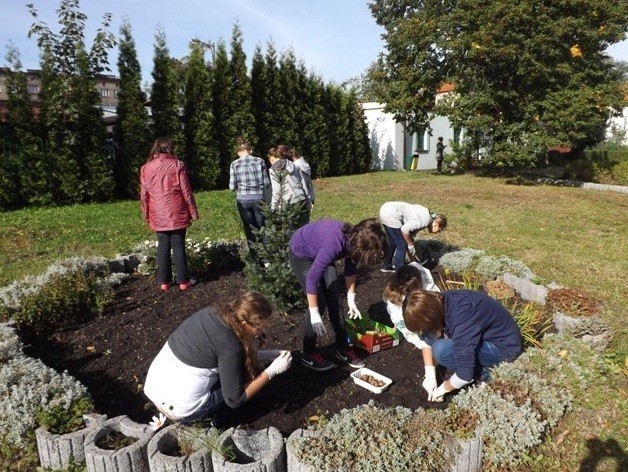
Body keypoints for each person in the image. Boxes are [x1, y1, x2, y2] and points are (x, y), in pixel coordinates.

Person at [144, 291, 292, 424]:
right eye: (259, 327)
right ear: (245, 323)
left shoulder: (212, 313)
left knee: (236, 371)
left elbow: (219, 352)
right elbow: (234, 399)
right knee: (243, 385)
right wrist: (272, 371)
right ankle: (213, 421)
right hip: (181, 410)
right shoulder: (231, 347)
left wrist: (267, 354)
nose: (261, 331)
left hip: (154, 387)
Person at [288, 218, 387, 371]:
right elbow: (312, 279)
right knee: (319, 301)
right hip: (301, 252)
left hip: (320, 249)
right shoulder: (334, 244)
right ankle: (308, 353)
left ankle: (343, 347)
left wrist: (351, 298)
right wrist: (314, 314)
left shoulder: (356, 239)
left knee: (335, 299)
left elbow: (350, 269)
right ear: (361, 246)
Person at [402, 289, 522, 401]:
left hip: (503, 348)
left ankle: (487, 376)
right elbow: (426, 337)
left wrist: (443, 389)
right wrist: (430, 375)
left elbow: (465, 375)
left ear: (431, 317)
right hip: (481, 337)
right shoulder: (439, 302)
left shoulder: (462, 318)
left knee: (442, 351)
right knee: (433, 338)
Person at [140, 137, 199, 291]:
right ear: (170, 148)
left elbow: (144, 195)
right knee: (178, 245)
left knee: (163, 246)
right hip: (176, 210)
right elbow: (186, 191)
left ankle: (164, 282)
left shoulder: (146, 168)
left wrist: (146, 214)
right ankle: (183, 281)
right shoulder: (177, 165)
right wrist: (193, 211)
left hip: (157, 212)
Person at [383, 263, 442, 398]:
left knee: (434, 341)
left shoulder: (429, 295)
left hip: (421, 311)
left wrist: (430, 374)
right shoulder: (393, 296)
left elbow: (427, 335)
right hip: (404, 310)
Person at [229, 138, 270, 263]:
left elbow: (232, 187)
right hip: (258, 198)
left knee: (250, 229)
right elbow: (266, 183)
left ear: (238, 152)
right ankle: (267, 259)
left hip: (243, 199)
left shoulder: (234, 164)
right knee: (262, 227)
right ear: (251, 150)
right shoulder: (260, 161)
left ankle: (255, 259)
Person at [378, 201, 447, 273]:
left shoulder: (426, 214)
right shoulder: (425, 221)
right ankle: (400, 272)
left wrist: (412, 257)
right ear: (436, 224)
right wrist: (410, 245)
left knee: (392, 241)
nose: (438, 232)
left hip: (385, 209)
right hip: (392, 214)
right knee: (402, 244)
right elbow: (404, 230)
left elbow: (409, 233)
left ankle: (386, 266)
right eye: (439, 230)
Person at [268, 145, 310, 230]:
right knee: (305, 229)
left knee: (292, 231)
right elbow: (303, 183)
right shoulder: (293, 164)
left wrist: (273, 207)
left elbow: (277, 190)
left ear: (274, 157)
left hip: (288, 202)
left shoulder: (273, 169)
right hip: (301, 199)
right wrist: (308, 200)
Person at [289, 147, 316, 224]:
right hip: (311, 193)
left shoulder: (295, 166)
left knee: (300, 221)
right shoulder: (304, 163)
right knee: (306, 219)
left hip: (303, 196)